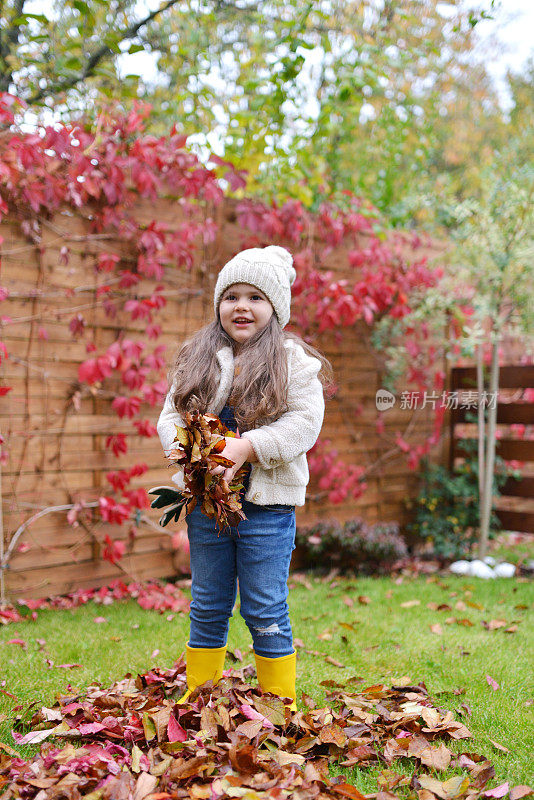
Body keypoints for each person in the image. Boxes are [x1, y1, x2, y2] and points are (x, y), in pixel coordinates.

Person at [157, 245, 331, 709]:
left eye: (255, 297)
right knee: (209, 600)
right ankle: (200, 696)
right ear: (218, 305)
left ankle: (279, 703)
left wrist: (247, 447)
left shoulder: (293, 362)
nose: (241, 306)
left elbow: (303, 423)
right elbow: (170, 415)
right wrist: (189, 452)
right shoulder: (199, 357)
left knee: (264, 605)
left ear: (275, 308)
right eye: (231, 295)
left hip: (267, 507)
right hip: (208, 504)